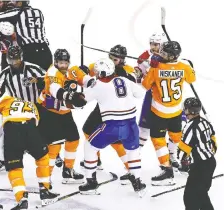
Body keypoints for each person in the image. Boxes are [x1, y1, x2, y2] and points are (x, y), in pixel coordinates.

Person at [78, 58, 146, 196]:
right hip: (131, 125)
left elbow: (80, 101)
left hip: (112, 126)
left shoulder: (98, 85)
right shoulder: (125, 80)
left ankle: (91, 182)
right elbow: (140, 93)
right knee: (132, 151)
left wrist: (72, 95)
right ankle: (137, 181)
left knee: (89, 146)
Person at [142, 41, 196, 185]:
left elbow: (145, 85)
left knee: (158, 140)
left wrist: (151, 69)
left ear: (171, 55)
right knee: (176, 136)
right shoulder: (184, 66)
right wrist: (188, 65)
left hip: (159, 111)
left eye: (164, 53)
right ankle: (174, 157)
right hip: (177, 110)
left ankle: (167, 169)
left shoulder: (156, 68)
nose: (161, 54)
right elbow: (192, 79)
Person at [0, 96, 59, 210]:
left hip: (12, 129)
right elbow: (36, 122)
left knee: (14, 167)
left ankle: (21, 197)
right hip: (30, 127)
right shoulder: (32, 105)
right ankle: (45, 190)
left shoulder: (8, 99)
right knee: (42, 158)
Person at [37, 48, 94, 184]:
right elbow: (55, 89)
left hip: (64, 112)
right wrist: (71, 96)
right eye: (60, 63)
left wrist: (92, 83)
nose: (63, 65)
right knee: (54, 146)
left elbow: (85, 79)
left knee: (73, 139)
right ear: (55, 62)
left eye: (65, 63)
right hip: (48, 112)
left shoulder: (72, 70)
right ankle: (46, 179)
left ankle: (68, 169)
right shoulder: (52, 72)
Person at [136, 32, 186, 170]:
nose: (153, 46)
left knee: (176, 129)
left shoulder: (167, 57)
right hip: (153, 97)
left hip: (170, 98)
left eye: (156, 44)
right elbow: (139, 74)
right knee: (144, 127)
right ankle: (135, 154)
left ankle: (172, 155)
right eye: (151, 43)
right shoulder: (145, 57)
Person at [0, 45, 46, 171]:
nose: (14, 63)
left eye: (16, 60)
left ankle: (53, 154)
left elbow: (48, 78)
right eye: (11, 60)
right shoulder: (5, 73)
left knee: (43, 129)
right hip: (17, 109)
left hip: (35, 106)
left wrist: (37, 80)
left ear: (21, 58)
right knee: (7, 133)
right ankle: (2, 158)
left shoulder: (33, 68)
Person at [0, 0, 53, 71]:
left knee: (28, 80)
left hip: (29, 51)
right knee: (46, 80)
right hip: (46, 50)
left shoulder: (16, 12)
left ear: (20, 3)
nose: (11, 3)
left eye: (14, 1)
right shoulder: (38, 12)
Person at [178, 97, 217, 210]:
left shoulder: (190, 127)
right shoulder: (205, 122)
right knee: (201, 196)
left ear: (188, 111)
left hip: (200, 168)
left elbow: (183, 152)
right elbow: (214, 143)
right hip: (210, 163)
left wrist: (184, 163)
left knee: (190, 198)